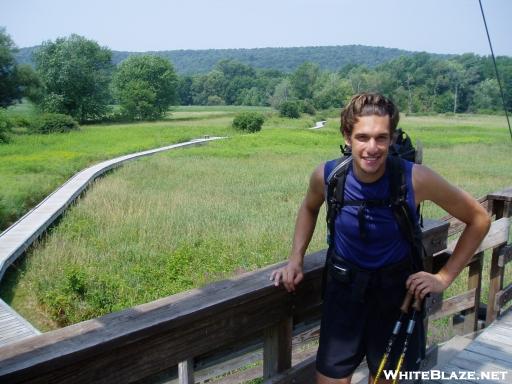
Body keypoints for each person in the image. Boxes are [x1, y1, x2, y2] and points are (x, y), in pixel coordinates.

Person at [270, 92, 490, 384]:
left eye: (381, 138)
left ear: (392, 138)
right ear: (347, 137)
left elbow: (479, 219)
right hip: (344, 293)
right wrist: (295, 259)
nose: (372, 148)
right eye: (362, 137)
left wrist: (443, 277)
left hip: (396, 297)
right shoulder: (328, 176)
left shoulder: (414, 179)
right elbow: (309, 208)